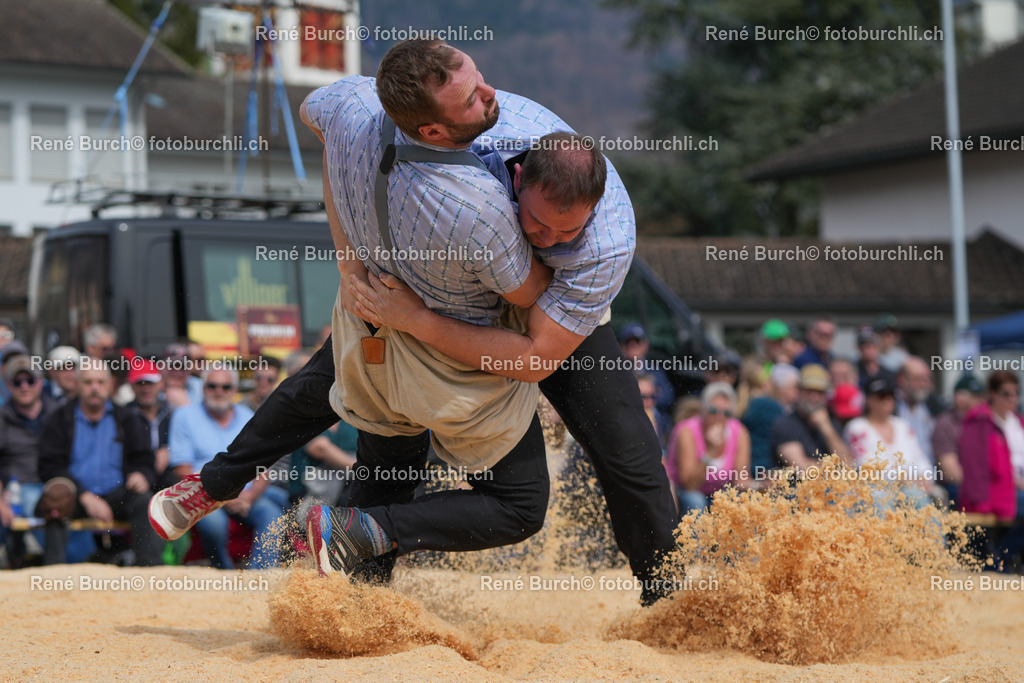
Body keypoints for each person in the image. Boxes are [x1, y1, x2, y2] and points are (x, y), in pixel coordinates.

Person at [151, 39, 676, 605]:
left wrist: (413, 312)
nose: (548, 240)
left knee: (628, 455)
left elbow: (536, 354)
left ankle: (665, 597)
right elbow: (325, 126)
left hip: (547, 323)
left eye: (566, 233)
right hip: (438, 298)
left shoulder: (599, 243)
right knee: (365, 423)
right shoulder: (472, 194)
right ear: (515, 180)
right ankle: (355, 600)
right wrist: (351, 257)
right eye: (539, 225)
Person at [37, 362, 162, 565]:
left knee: (146, 501)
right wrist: (84, 495)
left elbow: (145, 459)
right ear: (77, 384)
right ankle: (54, 572)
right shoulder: (58, 419)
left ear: (110, 384)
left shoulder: (129, 419)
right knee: (56, 498)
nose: (95, 388)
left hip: (118, 493)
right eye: (88, 382)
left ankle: (150, 572)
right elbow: (49, 466)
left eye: (100, 382)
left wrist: (142, 474)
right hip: (76, 495)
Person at [167, 368, 284, 569]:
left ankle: (260, 578)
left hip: (244, 495)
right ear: (203, 389)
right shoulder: (184, 416)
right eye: (212, 386)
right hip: (203, 494)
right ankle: (224, 572)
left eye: (225, 386)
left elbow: (263, 468)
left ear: (234, 390)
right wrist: (224, 496)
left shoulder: (247, 415)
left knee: (272, 515)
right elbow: (183, 469)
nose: (218, 391)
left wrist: (249, 496)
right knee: (214, 525)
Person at [959, 370, 1024, 569]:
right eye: (1007, 393)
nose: (1013, 398)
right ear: (993, 394)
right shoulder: (979, 423)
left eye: (1016, 393)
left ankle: (999, 562)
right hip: (994, 491)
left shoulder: (1018, 423)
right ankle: (997, 564)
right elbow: (975, 468)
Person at [843, 377, 938, 508]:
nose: (888, 401)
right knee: (881, 499)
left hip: (909, 487)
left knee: (918, 497)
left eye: (891, 396)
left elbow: (921, 460)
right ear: (869, 400)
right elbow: (865, 466)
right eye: (882, 396)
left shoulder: (902, 426)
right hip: (874, 489)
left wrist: (924, 477)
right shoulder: (857, 428)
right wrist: (902, 480)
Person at [0, 354, 57, 556]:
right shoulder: (3, 417)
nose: (24, 386)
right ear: (8, 386)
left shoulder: (58, 412)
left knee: (57, 500)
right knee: (28, 497)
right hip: (16, 489)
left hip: (55, 484)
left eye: (30, 380)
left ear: (40, 383)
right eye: (17, 382)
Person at [665, 382, 751, 514]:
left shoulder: (738, 431)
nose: (719, 417)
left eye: (726, 413)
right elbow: (689, 485)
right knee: (696, 501)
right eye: (713, 411)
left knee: (740, 500)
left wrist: (760, 485)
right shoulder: (687, 431)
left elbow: (741, 479)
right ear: (703, 411)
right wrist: (710, 452)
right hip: (685, 492)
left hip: (720, 493)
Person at [770, 364, 852, 470]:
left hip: (830, 484)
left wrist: (826, 429)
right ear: (798, 391)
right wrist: (836, 469)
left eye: (819, 392)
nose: (814, 396)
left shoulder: (832, 423)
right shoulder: (784, 424)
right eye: (809, 391)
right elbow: (802, 468)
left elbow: (849, 464)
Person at [931, 374, 985, 506]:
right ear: (959, 398)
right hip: (956, 488)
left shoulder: (984, 423)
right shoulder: (945, 424)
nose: (981, 402)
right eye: (975, 397)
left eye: (980, 397)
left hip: (981, 486)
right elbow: (951, 473)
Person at [619, 324, 675, 441]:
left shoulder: (656, 371)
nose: (632, 345)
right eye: (628, 342)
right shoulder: (617, 372)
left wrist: (646, 399)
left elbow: (668, 396)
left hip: (656, 422)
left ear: (645, 345)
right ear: (621, 346)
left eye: (637, 341)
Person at [126, 359, 174, 491]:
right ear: (132, 386)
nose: (145, 388)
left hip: (168, 475)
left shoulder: (172, 413)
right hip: (138, 476)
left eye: (150, 383)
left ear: (160, 384)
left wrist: (169, 450)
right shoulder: (124, 416)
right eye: (140, 383)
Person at [741, 358, 787, 482]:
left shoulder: (742, 405)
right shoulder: (772, 407)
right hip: (769, 469)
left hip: (746, 469)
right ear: (766, 381)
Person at [896, 356, 938, 465]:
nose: (925, 384)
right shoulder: (889, 405)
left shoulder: (933, 406)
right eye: (919, 379)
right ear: (902, 380)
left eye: (928, 379)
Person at [855, 326, 897, 394]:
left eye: (870, 347)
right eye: (863, 347)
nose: (866, 351)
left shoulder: (888, 374)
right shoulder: (854, 372)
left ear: (878, 347)